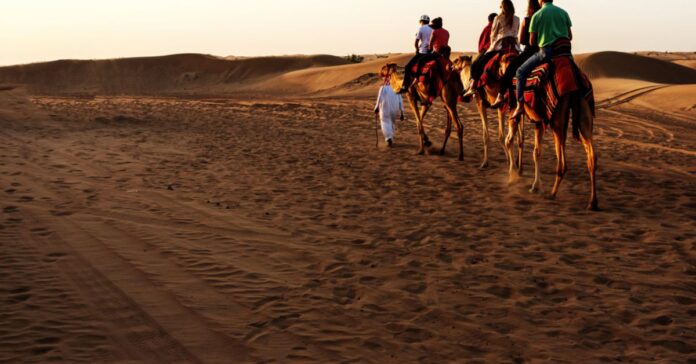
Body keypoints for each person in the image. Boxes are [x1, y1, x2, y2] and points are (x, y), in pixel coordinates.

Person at [511, 0, 572, 118]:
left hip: (547, 53)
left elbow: (531, 41)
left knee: (520, 72)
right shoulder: (563, 13)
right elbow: (570, 36)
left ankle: (519, 105)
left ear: (541, 0)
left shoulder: (536, 16)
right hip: (565, 53)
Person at [490, 0, 542, 108]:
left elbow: (523, 40)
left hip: (526, 50)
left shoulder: (526, 20)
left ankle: (502, 95)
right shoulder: (518, 19)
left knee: (514, 69)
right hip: (519, 46)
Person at [464, 0, 520, 97]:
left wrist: (491, 48)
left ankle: (473, 86)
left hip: (500, 46)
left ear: (503, 7)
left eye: (500, 7)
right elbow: (516, 33)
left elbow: (493, 35)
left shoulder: (498, 18)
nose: (500, 9)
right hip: (513, 46)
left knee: (477, 63)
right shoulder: (517, 19)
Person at [399, 15, 433, 94]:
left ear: (421, 22)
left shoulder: (421, 28)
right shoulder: (433, 29)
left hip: (423, 52)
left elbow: (416, 42)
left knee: (408, 67)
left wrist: (417, 49)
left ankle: (405, 86)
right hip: (432, 53)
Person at [375, 77, 404, 147]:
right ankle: (390, 137)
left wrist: (376, 108)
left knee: (384, 123)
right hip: (395, 110)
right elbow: (400, 100)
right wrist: (402, 112)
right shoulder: (396, 88)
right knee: (392, 123)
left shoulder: (382, 88)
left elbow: (379, 98)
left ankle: (389, 138)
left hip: (385, 110)